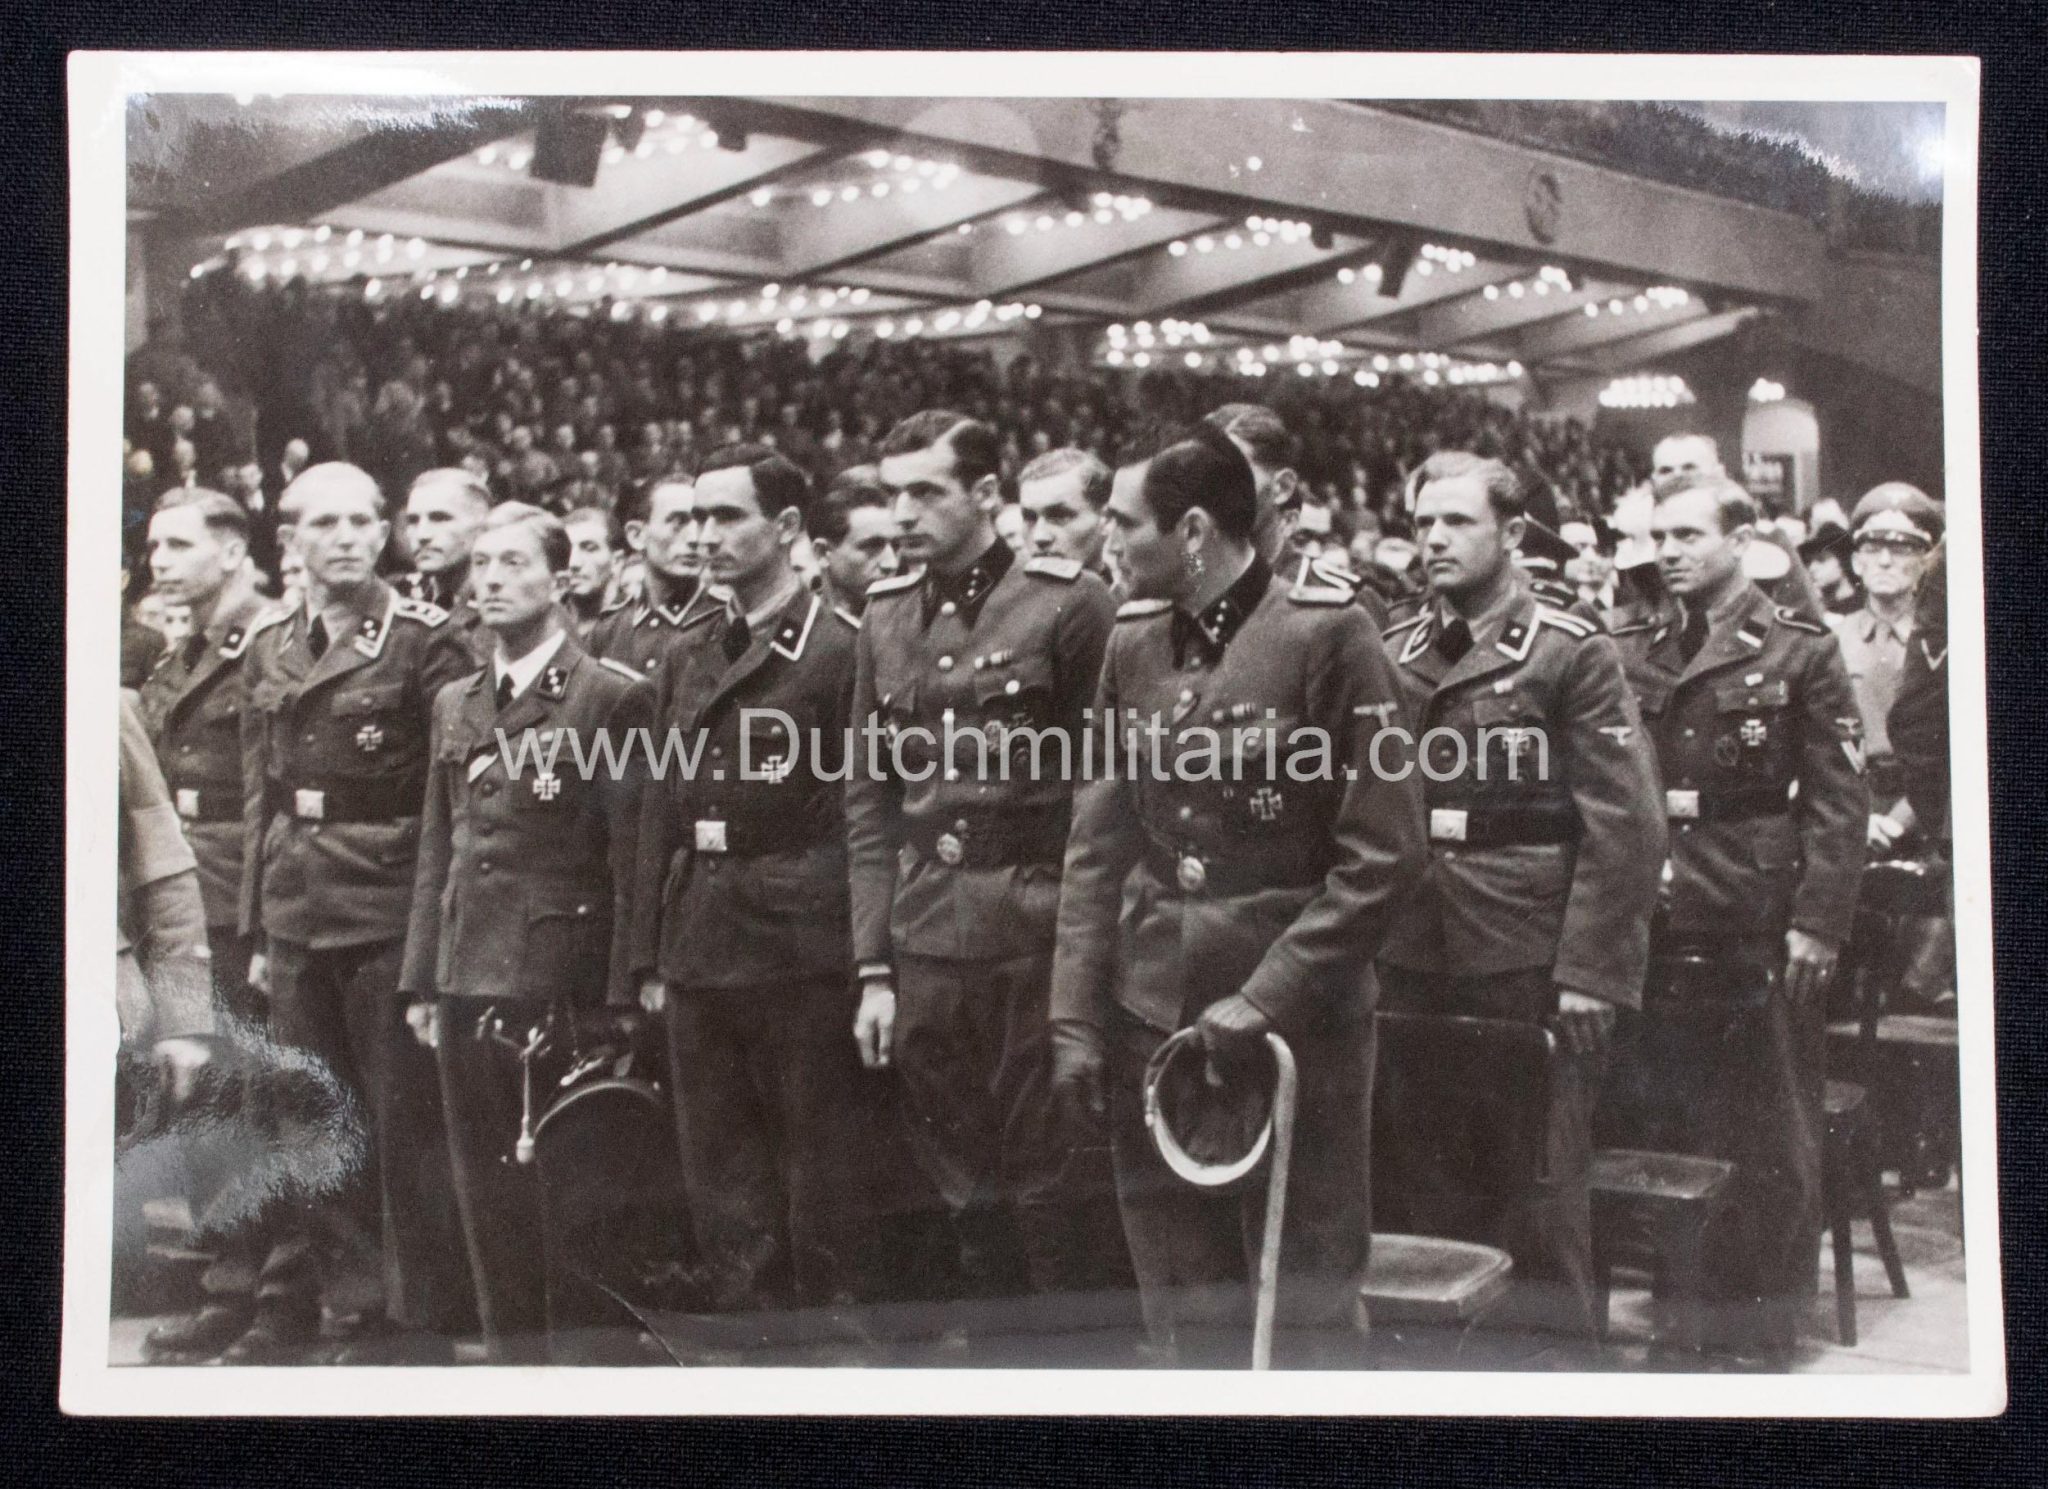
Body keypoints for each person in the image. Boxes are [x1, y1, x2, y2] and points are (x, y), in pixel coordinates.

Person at [1048, 425, 1426, 1367]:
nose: (1106, 542)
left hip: (1294, 1026)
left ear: (1193, 532)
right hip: (1152, 1010)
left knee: (1300, 1297)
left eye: (1122, 522)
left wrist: (1263, 999)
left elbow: (1383, 855)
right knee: (1178, 1293)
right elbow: (1098, 842)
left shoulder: (1329, 636)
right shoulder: (1132, 642)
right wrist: (1074, 1019)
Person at [1374, 453, 1665, 1341]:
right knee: (1420, 1196)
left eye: (1456, 522)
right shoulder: (1394, 651)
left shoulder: (1569, 652)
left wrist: (1589, 973)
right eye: (1424, 522)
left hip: (1526, 958)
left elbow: (1628, 828)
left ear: (1510, 534)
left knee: (1537, 1203)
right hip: (1414, 958)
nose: (1433, 539)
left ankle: (1558, 1403)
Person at [846, 410, 1118, 1321]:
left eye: (925, 491)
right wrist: (875, 964)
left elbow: (1104, 795)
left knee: (1050, 1186)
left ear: (987, 497)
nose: (902, 513)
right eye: (892, 494)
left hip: (1031, 928)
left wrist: (1084, 958)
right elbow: (870, 800)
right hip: (925, 935)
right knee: (960, 1191)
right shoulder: (883, 613)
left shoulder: (1071, 604)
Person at [1604, 474, 1867, 1365]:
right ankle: (1678, 1311)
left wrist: (1820, 921)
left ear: (1740, 538)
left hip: (1753, 911)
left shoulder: (1796, 648)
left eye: (1688, 535)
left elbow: (1839, 798)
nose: (1670, 552)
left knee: (1767, 1125)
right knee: (1667, 1122)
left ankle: (1757, 1323)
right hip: (1654, 911)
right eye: (1659, 537)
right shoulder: (1629, 642)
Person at [632, 446, 882, 1330]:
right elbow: (658, 803)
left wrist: (864, 955)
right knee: (720, 1154)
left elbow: (862, 811)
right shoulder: (687, 650)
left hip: (797, 931)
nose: (705, 537)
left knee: (817, 1148)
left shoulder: (839, 650)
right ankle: (745, 1327)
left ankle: (831, 1333)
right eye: (695, 518)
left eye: (727, 517)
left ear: (785, 529)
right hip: (701, 921)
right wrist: (646, 951)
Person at [234, 462, 478, 1363]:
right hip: (298, 909)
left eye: (361, 522)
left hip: (386, 908)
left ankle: (409, 1319)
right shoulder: (268, 644)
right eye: (322, 523)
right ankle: (343, 1301)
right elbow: (264, 793)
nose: (344, 537)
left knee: (400, 1123)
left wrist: (429, 941)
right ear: (288, 540)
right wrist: (260, 927)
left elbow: (448, 803)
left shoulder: (426, 642)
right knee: (312, 1116)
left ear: (385, 535)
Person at [400, 503, 653, 1362]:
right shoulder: (456, 699)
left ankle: (580, 1372)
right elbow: (441, 845)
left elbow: (630, 856)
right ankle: (513, 1366)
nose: (492, 580)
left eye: (512, 563)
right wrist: (422, 979)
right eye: (482, 564)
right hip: (468, 967)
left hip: (561, 976)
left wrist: (623, 992)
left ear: (561, 579)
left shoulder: (609, 695)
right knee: (484, 1191)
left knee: (565, 1193)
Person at [138, 491, 275, 1019]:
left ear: (233, 554)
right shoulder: (181, 651)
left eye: (178, 544)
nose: (160, 561)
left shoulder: (273, 639)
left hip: (236, 896)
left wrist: (261, 921)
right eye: (154, 546)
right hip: (180, 887)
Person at [1833, 483, 1951, 1011]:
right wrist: (1859, 816)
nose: (1885, 559)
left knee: (1920, 985)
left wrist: (1901, 820)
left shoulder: (1943, 643)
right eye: (1871, 547)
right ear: (1854, 561)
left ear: (1929, 558)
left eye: (1903, 547)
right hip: (1847, 810)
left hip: (1926, 812)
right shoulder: (1830, 639)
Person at [585, 475, 720, 679]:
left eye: (700, 523)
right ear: (637, 535)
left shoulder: (722, 623)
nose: (695, 538)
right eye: (678, 523)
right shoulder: (609, 629)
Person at [398, 468, 494, 661]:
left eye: (440, 518)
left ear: (482, 528)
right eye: (413, 521)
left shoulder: (509, 607)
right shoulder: (400, 599)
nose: (422, 535)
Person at [810, 467, 902, 622]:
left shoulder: (912, 626)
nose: (891, 563)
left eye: (896, 546)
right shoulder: (799, 625)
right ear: (823, 552)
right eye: (872, 546)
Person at [1017, 447, 1113, 580]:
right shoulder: (1000, 598)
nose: (1039, 536)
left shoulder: (1129, 598)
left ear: (1107, 519)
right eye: (1029, 517)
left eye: (1059, 516)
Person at [561, 505, 626, 640]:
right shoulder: (545, 625)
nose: (573, 563)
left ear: (616, 561)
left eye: (590, 549)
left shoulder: (634, 627)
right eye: (565, 551)